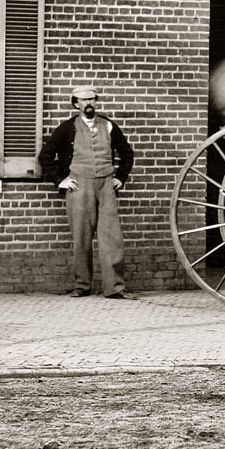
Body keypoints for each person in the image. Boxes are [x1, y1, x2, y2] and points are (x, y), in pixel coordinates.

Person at [39, 84, 135, 299]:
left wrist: (120, 178)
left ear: (96, 102)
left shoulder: (109, 126)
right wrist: (60, 181)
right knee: (81, 238)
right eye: (83, 100)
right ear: (76, 104)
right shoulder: (67, 128)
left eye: (91, 99)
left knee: (112, 237)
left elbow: (127, 154)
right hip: (79, 187)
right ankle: (82, 285)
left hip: (106, 185)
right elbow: (45, 156)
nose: (88, 103)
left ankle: (114, 288)